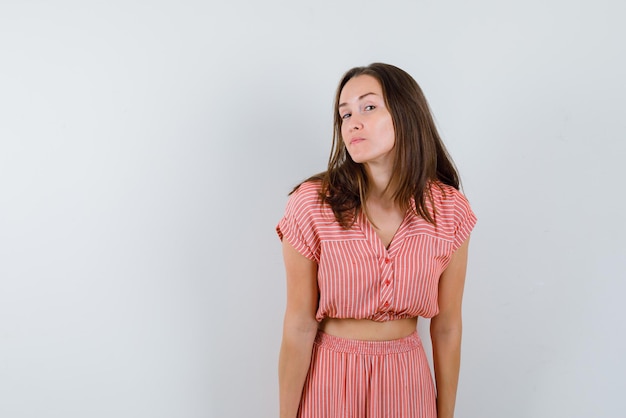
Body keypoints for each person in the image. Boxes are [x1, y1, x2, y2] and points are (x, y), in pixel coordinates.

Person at [276, 63, 477, 418]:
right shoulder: (311, 204)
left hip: (407, 381)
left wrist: (446, 414)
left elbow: (447, 327)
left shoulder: (449, 210)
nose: (353, 121)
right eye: (345, 113)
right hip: (330, 379)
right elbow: (299, 323)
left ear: (406, 114)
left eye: (369, 107)